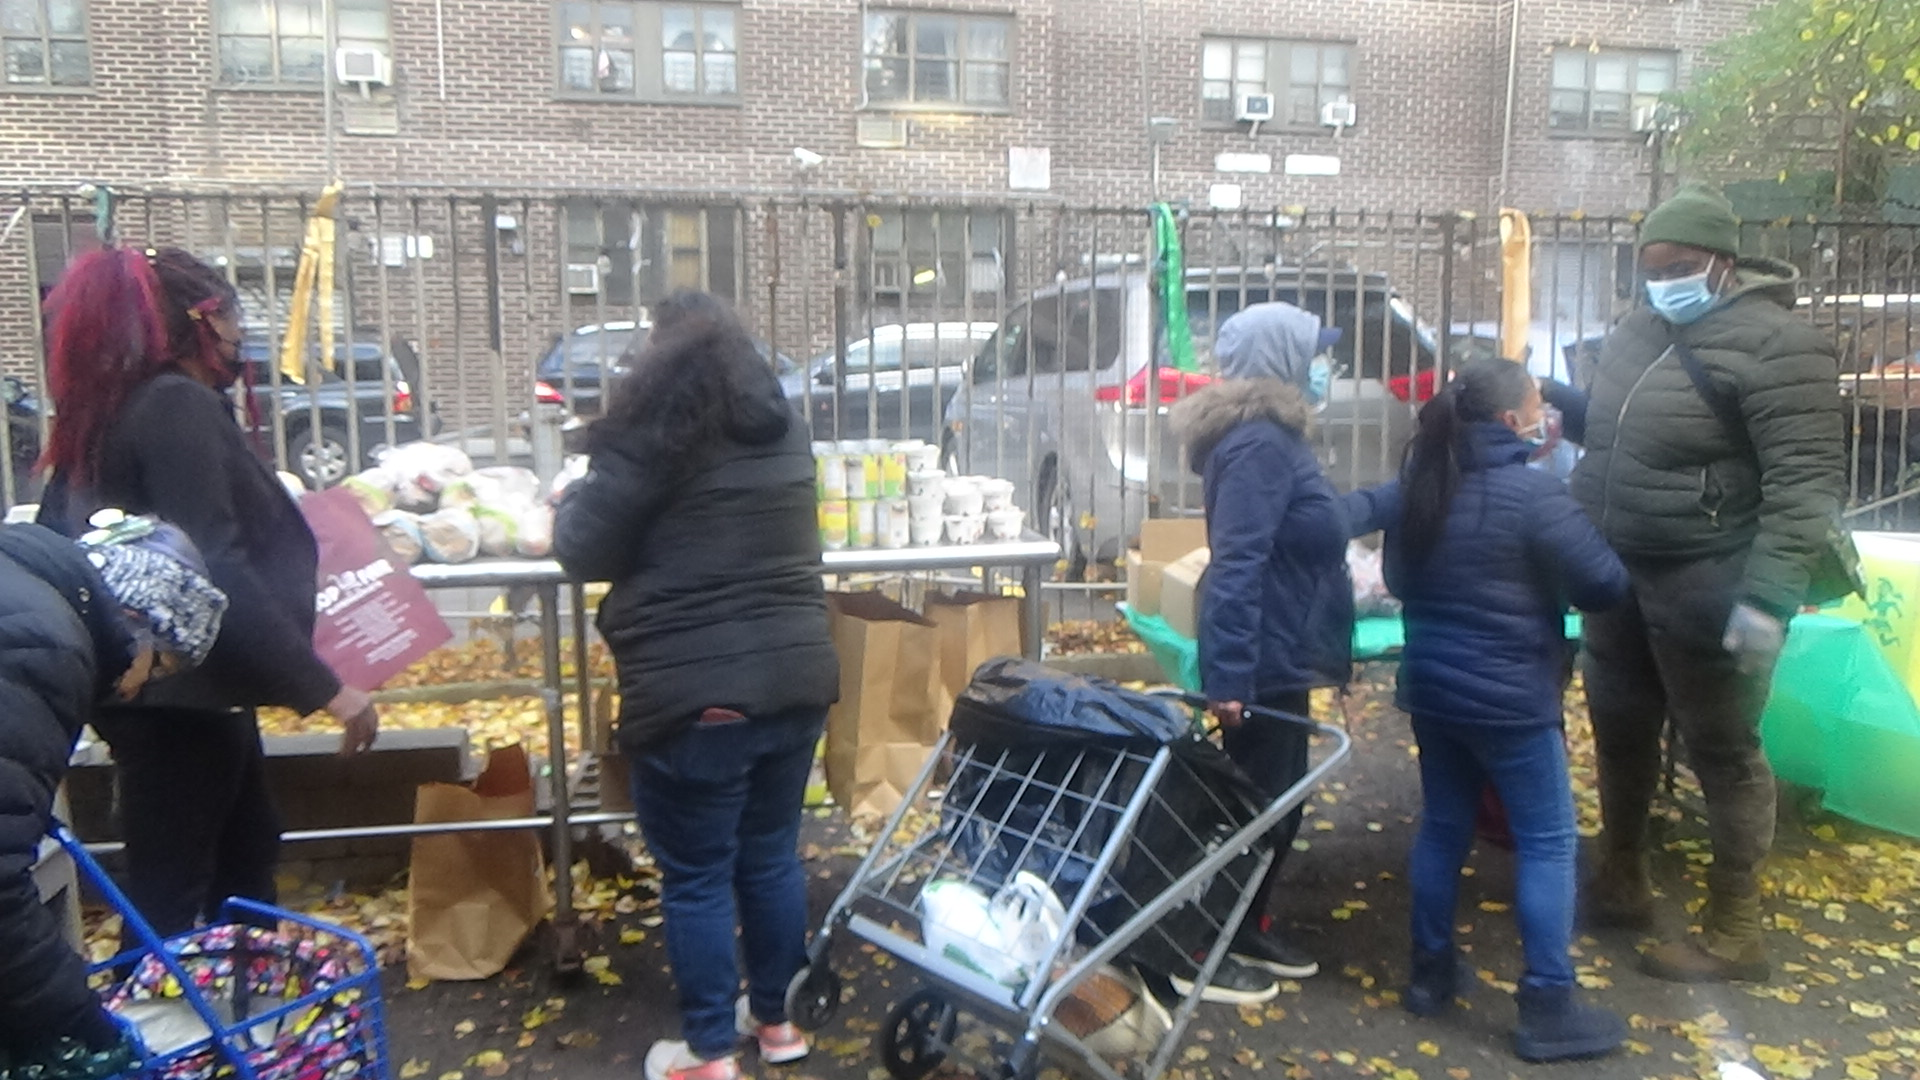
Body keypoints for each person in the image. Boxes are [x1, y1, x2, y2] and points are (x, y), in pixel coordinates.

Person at [34, 246, 380, 939]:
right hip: (181, 698)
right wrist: (325, 689)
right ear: (196, 321)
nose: (238, 334)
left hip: (180, 693)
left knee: (244, 853)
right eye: (230, 315)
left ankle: (233, 1026)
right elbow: (216, 567)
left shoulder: (119, 407)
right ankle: (153, 1039)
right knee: (177, 887)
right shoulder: (172, 406)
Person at [1554, 185, 1847, 984]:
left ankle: (1734, 925)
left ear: (1723, 263)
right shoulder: (1637, 330)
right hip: (1617, 574)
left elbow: (1805, 485)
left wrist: (1768, 601)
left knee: (1721, 749)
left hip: (1709, 578)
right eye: (1649, 269)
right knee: (1618, 730)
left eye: (1677, 268)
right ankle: (1621, 877)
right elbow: (1621, 438)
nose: (1662, 284)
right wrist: (1559, 410)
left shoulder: (1781, 345)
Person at [554, 291, 839, 1080]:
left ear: (658, 357)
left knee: (699, 874)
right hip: (796, 680)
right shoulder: (784, 429)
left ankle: (710, 1052)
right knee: (773, 856)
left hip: (696, 696)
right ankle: (778, 1024)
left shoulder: (656, 434)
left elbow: (581, 548)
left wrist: (572, 495)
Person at [1344, 360, 1629, 1062]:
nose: (1545, 416)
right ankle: (1547, 1004)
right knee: (1548, 842)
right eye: (1538, 405)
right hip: (1513, 703)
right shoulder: (1538, 497)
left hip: (1434, 694)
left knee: (1444, 828)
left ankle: (1430, 975)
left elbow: (1403, 580)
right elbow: (1605, 584)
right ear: (1512, 422)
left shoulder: (1424, 489)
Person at [1167, 300, 1350, 1003]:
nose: (1324, 364)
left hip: (1281, 647)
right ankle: (1198, 942)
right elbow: (1238, 563)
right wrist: (1231, 678)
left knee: (1278, 803)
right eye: (1315, 351)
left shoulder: (1273, 438)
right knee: (1253, 804)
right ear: (1282, 361)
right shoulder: (1259, 445)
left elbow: (1298, 529)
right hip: (1264, 653)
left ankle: (1242, 924)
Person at [0, 515, 227, 1079]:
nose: (135, 690)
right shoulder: (45, 645)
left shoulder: (21, 591)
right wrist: (73, 1012)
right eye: (158, 669)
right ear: (135, 621)